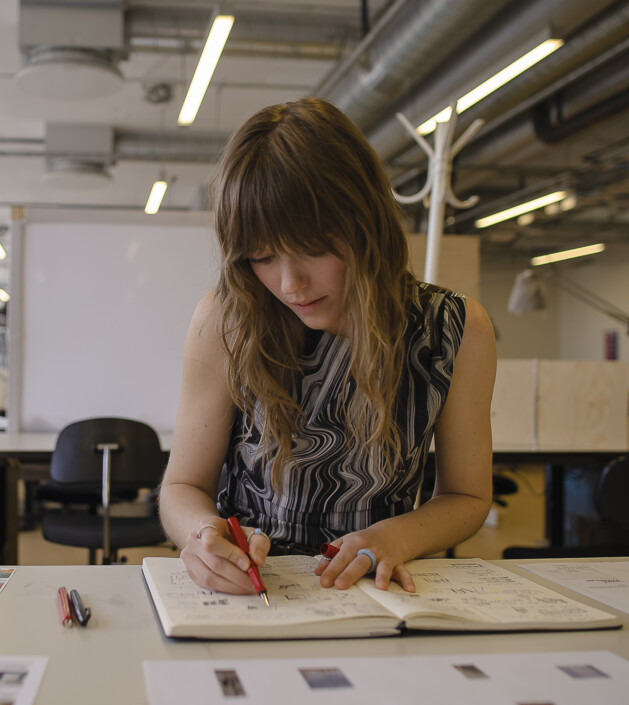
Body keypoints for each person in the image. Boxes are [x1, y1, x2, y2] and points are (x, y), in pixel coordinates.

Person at [158, 97, 496, 596]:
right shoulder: (227, 319)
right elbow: (182, 486)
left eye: (312, 248)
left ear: (367, 222)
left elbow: (467, 496)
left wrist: (397, 536)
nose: (289, 284)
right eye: (262, 256)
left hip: (376, 588)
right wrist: (202, 534)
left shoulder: (454, 328)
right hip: (252, 587)